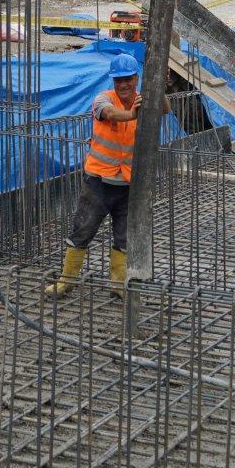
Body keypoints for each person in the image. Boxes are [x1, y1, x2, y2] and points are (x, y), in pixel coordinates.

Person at [45, 53, 168, 300]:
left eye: (128, 79)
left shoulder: (143, 100)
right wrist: (132, 114)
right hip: (99, 182)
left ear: (136, 78)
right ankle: (66, 280)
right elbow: (110, 114)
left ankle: (118, 284)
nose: (123, 85)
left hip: (128, 183)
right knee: (82, 230)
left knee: (124, 236)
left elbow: (165, 108)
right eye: (118, 80)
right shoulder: (102, 99)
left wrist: (158, 88)